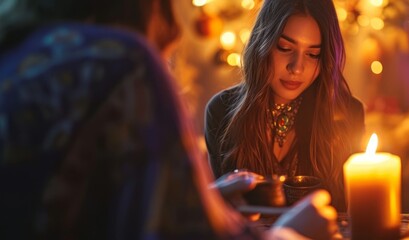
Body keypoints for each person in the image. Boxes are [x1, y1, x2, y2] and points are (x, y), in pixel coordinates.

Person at [0, 0, 338, 239]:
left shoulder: (17, 55)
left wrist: (203, 198)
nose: (174, 27)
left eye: (313, 54)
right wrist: (292, 234)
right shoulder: (124, 63)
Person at [205, 0, 366, 211]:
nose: (297, 67)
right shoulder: (222, 111)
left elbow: (354, 214)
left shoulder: (347, 114)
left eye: (312, 54)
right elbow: (219, 213)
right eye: (285, 47)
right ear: (263, 43)